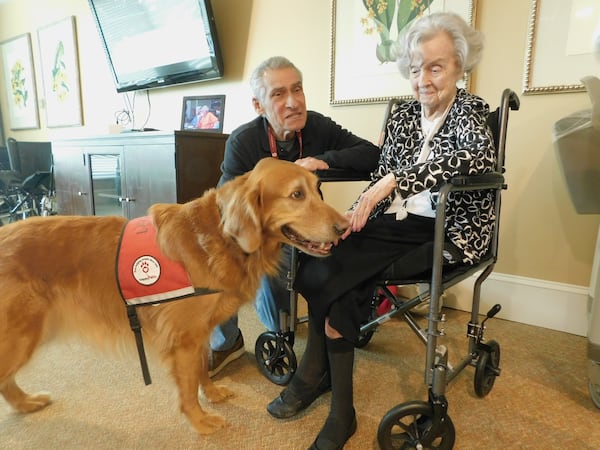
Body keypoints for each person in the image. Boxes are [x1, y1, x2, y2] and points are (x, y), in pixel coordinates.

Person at [266, 12, 495, 449]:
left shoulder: (471, 110)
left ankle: (330, 400)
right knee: (321, 260)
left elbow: (475, 158)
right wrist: (356, 213)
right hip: (398, 223)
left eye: (435, 66)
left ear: (459, 67)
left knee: (339, 276)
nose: (423, 79)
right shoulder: (404, 115)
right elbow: (380, 178)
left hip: (448, 230)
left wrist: (395, 182)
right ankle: (324, 384)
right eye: (415, 68)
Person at [207, 56, 381, 377]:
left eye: (297, 89)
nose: (293, 102)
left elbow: (373, 154)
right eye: (278, 94)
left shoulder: (317, 127)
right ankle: (226, 342)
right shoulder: (244, 142)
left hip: (312, 228)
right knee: (218, 256)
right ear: (259, 106)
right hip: (264, 236)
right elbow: (225, 205)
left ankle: (313, 320)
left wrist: (321, 160)